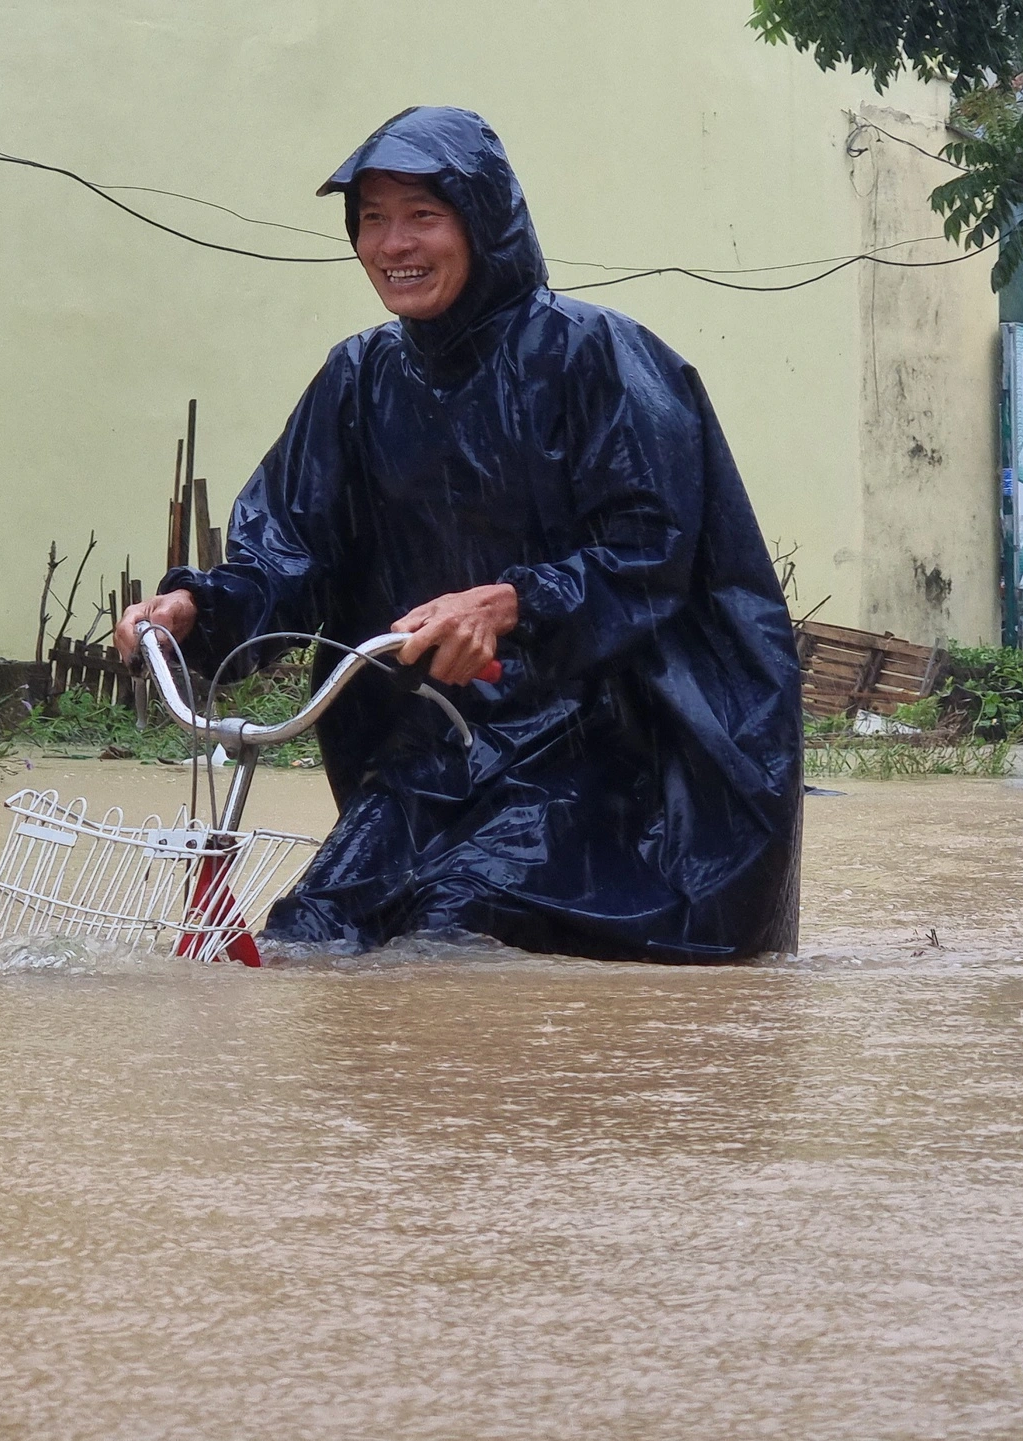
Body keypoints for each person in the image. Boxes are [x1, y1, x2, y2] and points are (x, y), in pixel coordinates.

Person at [115, 106, 802, 962]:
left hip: (605, 751)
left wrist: (512, 601)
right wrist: (196, 606)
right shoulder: (358, 381)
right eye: (372, 219)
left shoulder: (598, 358)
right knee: (313, 929)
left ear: (483, 224)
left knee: (450, 932)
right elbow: (288, 547)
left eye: (421, 216)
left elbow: (652, 554)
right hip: (434, 742)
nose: (393, 244)